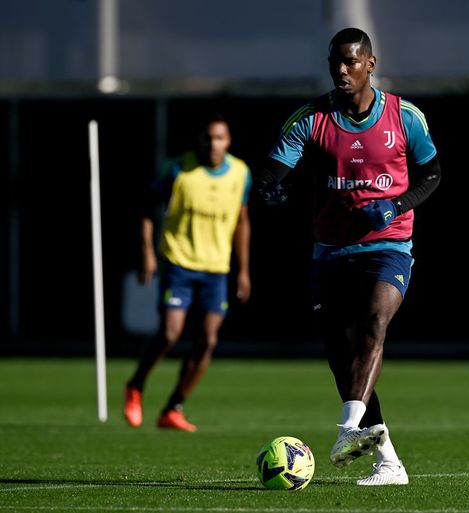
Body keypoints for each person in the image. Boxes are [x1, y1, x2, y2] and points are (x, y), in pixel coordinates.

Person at [257, 28, 441, 485]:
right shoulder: (311, 119)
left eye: (351, 61)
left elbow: (432, 173)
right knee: (342, 356)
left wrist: (396, 205)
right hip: (332, 251)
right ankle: (389, 462)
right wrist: (271, 185)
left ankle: (346, 432)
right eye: (334, 62)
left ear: (370, 64)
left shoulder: (404, 117)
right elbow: (275, 169)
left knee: (375, 322)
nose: (341, 70)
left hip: (389, 244)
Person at [123, 115, 252, 432]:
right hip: (179, 262)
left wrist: (243, 271)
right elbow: (146, 208)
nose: (213, 144)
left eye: (219, 138)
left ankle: (173, 407)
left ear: (228, 141)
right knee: (170, 333)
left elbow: (242, 222)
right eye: (208, 137)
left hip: (216, 269)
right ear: (200, 140)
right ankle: (136, 385)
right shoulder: (179, 169)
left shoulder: (240, 173)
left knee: (208, 340)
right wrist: (147, 253)